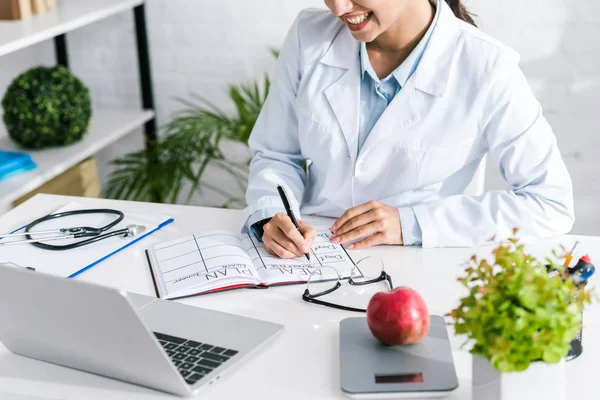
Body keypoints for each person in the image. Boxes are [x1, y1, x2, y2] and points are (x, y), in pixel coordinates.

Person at [242, 0, 574, 257]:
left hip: (419, 264)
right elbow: (275, 153)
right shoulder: (309, 36)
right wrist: (271, 214)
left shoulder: (488, 67)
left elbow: (549, 202)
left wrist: (412, 223)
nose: (338, 7)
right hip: (312, 256)